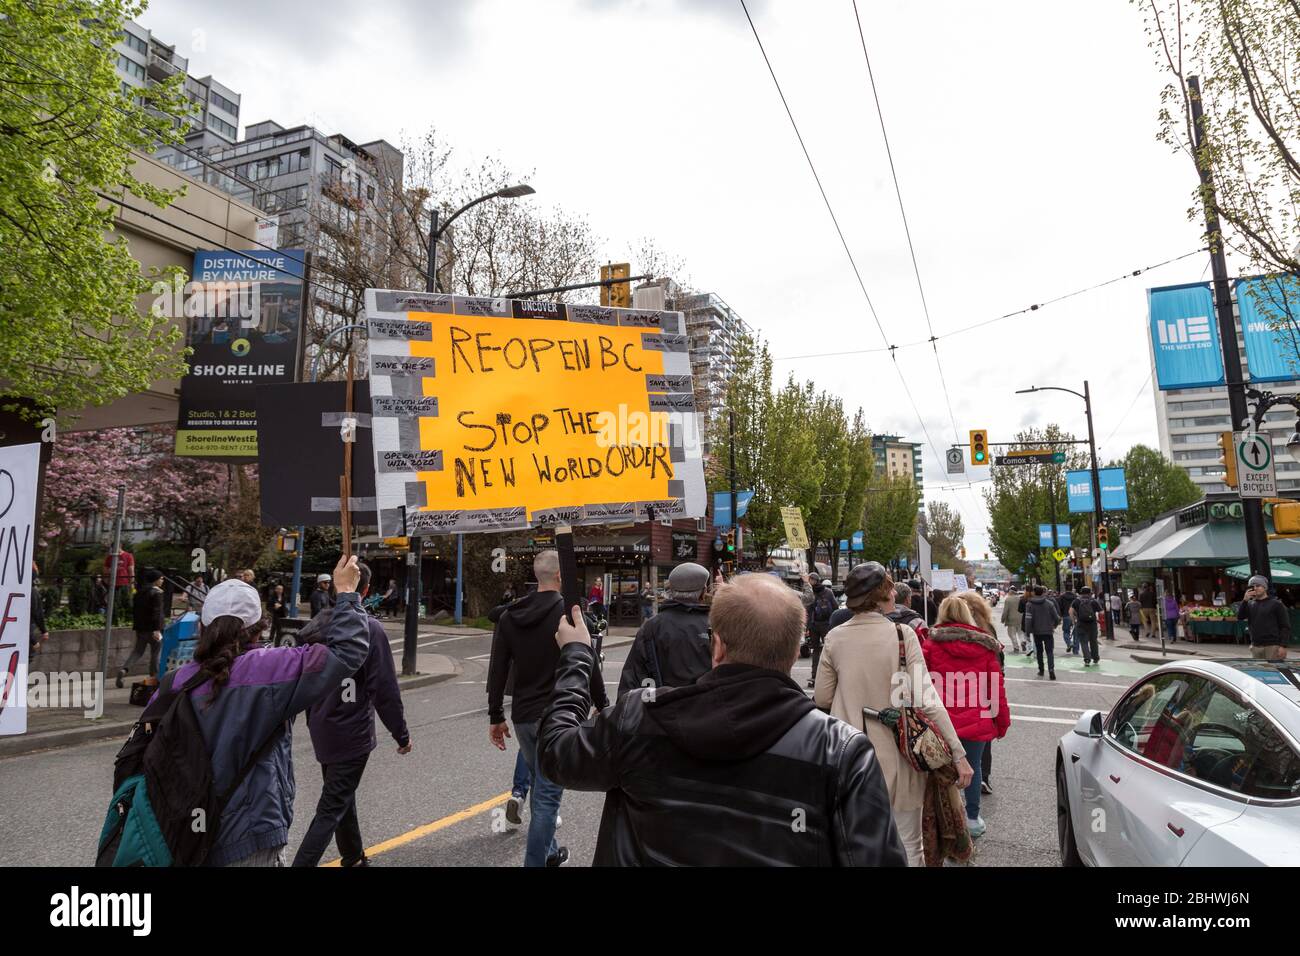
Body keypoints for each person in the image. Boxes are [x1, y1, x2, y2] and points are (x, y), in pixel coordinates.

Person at [538, 571, 907, 866]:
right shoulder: (842, 752)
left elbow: (555, 752)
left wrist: (576, 657)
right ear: (795, 653)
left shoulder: (639, 716)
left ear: (717, 646)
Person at [137, 557, 370, 866]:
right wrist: (346, 594)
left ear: (202, 627)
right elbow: (346, 652)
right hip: (249, 838)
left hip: (178, 837)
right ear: (259, 629)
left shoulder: (172, 684)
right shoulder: (270, 670)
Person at [814, 562, 969, 867]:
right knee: (909, 843)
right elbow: (927, 699)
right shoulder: (902, 636)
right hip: (899, 755)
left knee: (853, 843)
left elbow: (822, 697)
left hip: (849, 758)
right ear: (884, 594)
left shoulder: (834, 638)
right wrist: (957, 752)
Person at [487, 550, 607, 867]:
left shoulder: (511, 616)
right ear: (559, 577)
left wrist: (496, 716)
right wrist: (602, 703)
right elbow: (588, 661)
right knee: (547, 800)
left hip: (524, 716)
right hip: (558, 714)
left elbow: (497, 669)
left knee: (542, 784)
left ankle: (551, 853)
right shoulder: (568, 614)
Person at [292, 561, 411, 867]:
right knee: (331, 806)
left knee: (341, 793)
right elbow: (384, 689)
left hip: (322, 725)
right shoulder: (370, 629)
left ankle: (353, 855)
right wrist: (401, 734)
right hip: (352, 731)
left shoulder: (318, 625)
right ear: (366, 590)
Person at [924, 594, 1010, 841]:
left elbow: (920, 686)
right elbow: (996, 690)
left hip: (939, 721)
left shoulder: (929, 645)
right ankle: (972, 819)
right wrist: (1001, 722)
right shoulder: (985, 647)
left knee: (939, 773)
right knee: (973, 769)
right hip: (977, 720)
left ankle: (945, 820)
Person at [617, 562, 711, 696]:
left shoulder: (652, 626)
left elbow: (635, 676)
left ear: (671, 591)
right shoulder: (715, 624)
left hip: (663, 710)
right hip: (706, 710)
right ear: (704, 591)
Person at [117, 569, 165, 688]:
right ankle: (154, 676)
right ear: (155, 580)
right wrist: (157, 629)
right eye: (161, 578)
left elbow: (135, 610)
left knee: (137, 651)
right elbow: (157, 612)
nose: (163, 580)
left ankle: (124, 669)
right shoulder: (157, 593)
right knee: (156, 652)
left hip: (140, 628)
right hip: (153, 628)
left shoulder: (139, 593)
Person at [1237, 575, 1291, 660]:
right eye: (1252, 586)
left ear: (1265, 588)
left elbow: (1285, 626)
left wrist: (1283, 646)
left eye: (1258, 586)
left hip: (1273, 646)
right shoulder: (1250, 604)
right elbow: (1240, 617)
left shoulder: (1276, 604)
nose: (1255, 588)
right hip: (1256, 646)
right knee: (1259, 673)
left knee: (1273, 671)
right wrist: (1245, 600)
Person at [804, 572, 838, 689]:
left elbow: (807, 610)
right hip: (826, 625)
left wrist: (807, 627)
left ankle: (814, 676)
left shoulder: (810, 593)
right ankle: (831, 675)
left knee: (816, 651)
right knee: (828, 650)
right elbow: (835, 607)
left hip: (814, 625)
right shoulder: (827, 592)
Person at [1022, 585, 1061, 680]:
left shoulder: (1029, 604)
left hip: (1037, 631)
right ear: (1043, 592)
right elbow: (1056, 617)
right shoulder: (1049, 603)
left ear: (1034, 593)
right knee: (1049, 651)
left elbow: (1028, 620)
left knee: (1039, 651)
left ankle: (1041, 669)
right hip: (1048, 630)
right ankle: (1051, 670)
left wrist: (1027, 632)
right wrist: (1054, 625)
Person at [1070, 586, 1104, 667]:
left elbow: (1071, 611)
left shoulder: (1076, 601)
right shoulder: (1094, 601)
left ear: (1081, 593)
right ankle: (1095, 657)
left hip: (1081, 624)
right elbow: (1101, 612)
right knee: (1093, 641)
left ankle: (1087, 659)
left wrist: (1073, 621)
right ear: (1090, 593)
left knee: (1083, 642)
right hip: (1092, 624)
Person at [1000, 588, 1026, 653]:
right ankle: (1022, 641)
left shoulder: (1008, 599)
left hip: (1011, 620)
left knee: (1012, 634)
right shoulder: (1020, 599)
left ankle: (1016, 647)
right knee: (1020, 632)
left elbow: (1005, 611)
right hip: (1021, 619)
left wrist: (1003, 619)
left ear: (1010, 593)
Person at [1057, 587, 1077, 655]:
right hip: (1075, 616)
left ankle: (1069, 643)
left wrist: (1060, 615)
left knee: (1066, 631)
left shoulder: (1062, 597)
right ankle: (1076, 650)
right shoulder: (1075, 596)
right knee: (1076, 633)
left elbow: (1059, 606)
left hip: (1066, 615)